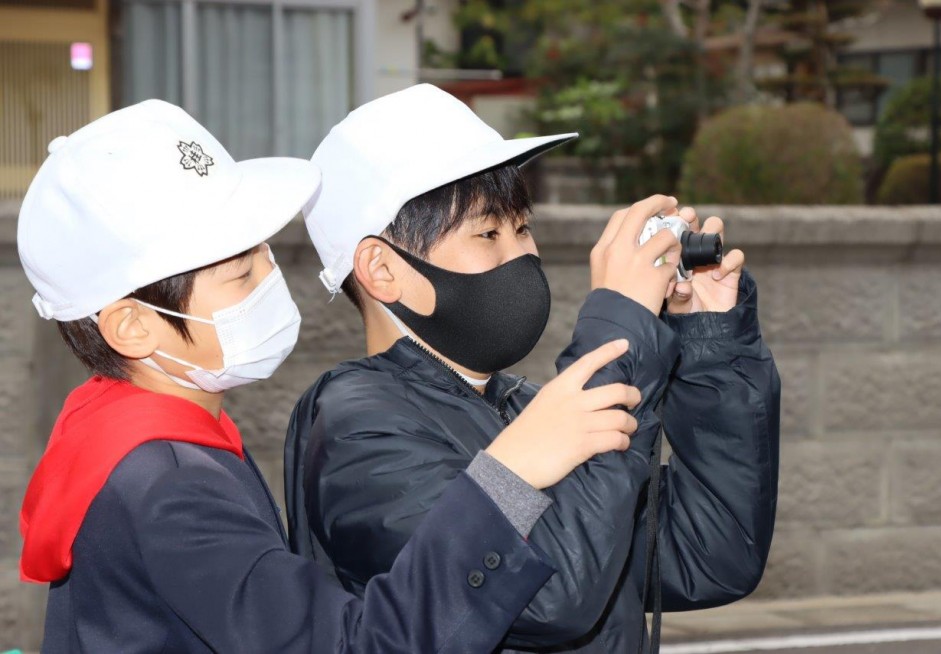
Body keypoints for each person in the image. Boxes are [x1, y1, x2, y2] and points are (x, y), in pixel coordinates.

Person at [17, 99, 644, 653]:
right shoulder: (170, 487)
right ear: (132, 327)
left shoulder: (141, 442)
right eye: (241, 274)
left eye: (264, 254)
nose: (271, 282)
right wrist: (508, 476)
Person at [287, 84, 781, 653]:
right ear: (381, 268)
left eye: (522, 228)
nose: (522, 254)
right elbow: (550, 598)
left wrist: (711, 341)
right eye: (488, 233)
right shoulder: (359, 431)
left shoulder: (526, 408)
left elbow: (713, 553)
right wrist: (620, 331)